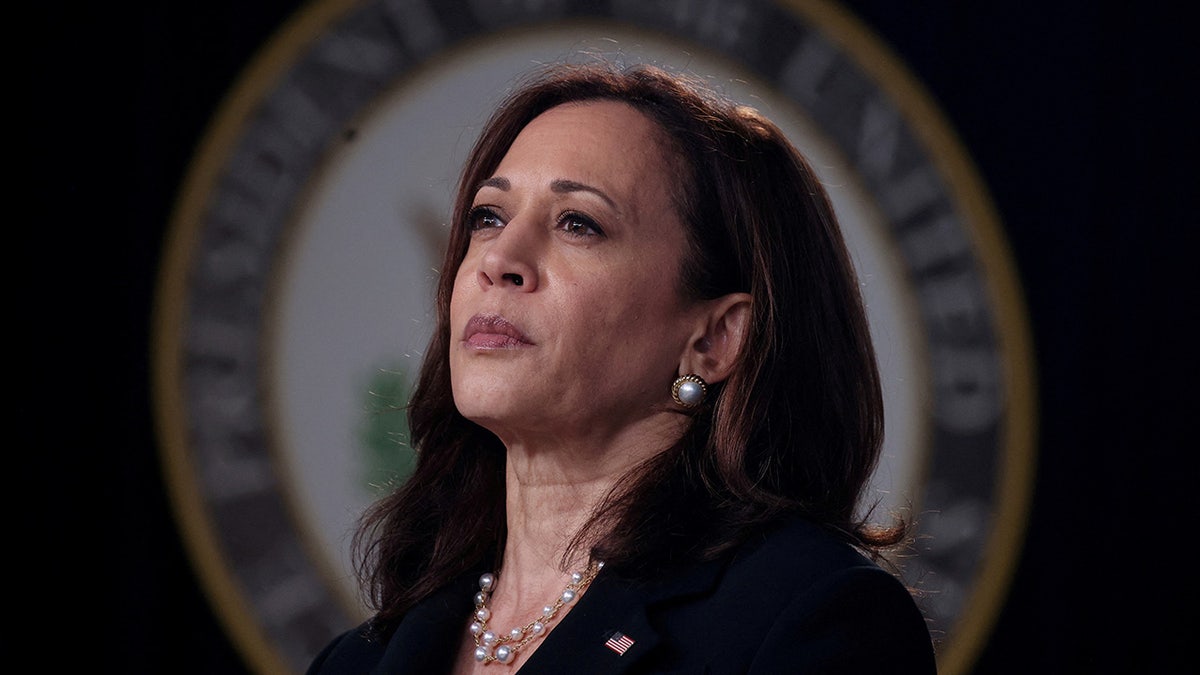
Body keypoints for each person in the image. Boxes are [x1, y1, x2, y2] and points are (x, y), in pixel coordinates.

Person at [307, 61, 937, 674]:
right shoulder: (357, 660)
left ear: (713, 340)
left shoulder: (809, 618)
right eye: (488, 217)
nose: (498, 260)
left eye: (578, 223)